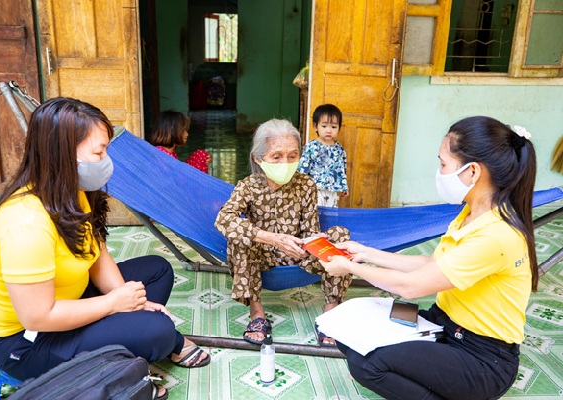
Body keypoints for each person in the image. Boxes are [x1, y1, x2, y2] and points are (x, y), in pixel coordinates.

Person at [0, 98, 211, 400]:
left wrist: (130, 300)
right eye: (98, 151)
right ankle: (114, 365)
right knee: (160, 331)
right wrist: (114, 303)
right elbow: (38, 317)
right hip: (28, 343)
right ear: (62, 154)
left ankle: (118, 346)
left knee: (157, 270)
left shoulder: (73, 192)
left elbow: (96, 253)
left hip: (66, 301)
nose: (105, 159)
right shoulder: (24, 225)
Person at [320, 116, 537, 400]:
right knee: (348, 331)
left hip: (482, 357)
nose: (439, 171)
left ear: (472, 172)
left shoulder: (496, 234)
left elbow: (413, 287)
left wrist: (349, 267)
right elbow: (430, 265)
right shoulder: (470, 214)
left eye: (444, 164)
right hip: (444, 324)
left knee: (370, 363)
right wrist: (365, 253)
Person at [214, 118, 352, 346]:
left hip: (299, 254)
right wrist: (272, 239)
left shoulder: (306, 184)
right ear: (259, 159)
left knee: (341, 236)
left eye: (292, 156)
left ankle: (330, 312)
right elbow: (223, 219)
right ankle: (257, 314)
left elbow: (310, 227)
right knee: (239, 239)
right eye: (276, 156)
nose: (285, 162)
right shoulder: (248, 186)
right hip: (262, 256)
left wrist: (311, 243)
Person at [297, 104, 348, 207]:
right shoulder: (312, 146)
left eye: (333, 127)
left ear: (339, 128)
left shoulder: (339, 148)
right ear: (316, 126)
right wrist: (300, 186)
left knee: (331, 214)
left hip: (332, 191)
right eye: (324, 126)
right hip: (315, 189)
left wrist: (344, 186)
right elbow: (303, 167)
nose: (329, 130)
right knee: (315, 213)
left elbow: (342, 168)